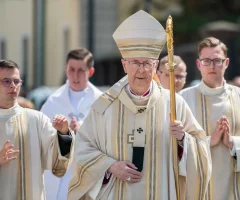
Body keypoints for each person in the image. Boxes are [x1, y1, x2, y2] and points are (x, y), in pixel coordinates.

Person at [68, 10, 211, 200]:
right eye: (135, 62)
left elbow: (201, 152)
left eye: (147, 63)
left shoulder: (173, 104)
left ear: (155, 66)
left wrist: (183, 139)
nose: (142, 69)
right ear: (124, 65)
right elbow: (82, 148)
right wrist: (110, 166)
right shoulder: (105, 106)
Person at [0, 59, 74, 200]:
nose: (13, 86)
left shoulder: (37, 120)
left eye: (16, 81)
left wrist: (63, 134)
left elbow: (58, 165)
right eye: (6, 81)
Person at [180, 37, 240, 200]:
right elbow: (173, 146)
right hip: (197, 189)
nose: (212, 65)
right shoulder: (183, 99)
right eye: (206, 61)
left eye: (217, 60)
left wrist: (232, 143)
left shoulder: (239, 96)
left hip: (234, 189)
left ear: (226, 63)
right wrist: (208, 142)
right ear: (199, 64)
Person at [41, 48, 102, 200]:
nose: (75, 75)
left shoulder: (102, 102)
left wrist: (84, 131)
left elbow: (109, 139)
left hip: (88, 175)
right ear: (65, 69)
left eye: (81, 70)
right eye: (71, 69)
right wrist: (63, 133)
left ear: (91, 71)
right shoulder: (52, 101)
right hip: (58, 178)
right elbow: (41, 139)